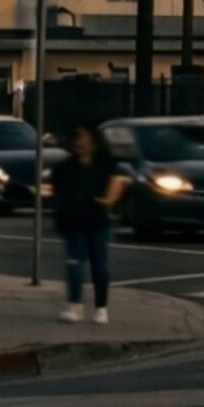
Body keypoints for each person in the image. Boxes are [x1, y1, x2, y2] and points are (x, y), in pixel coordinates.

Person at [52, 123, 129, 325]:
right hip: (74, 221)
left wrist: (108, 201)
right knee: (75, 263)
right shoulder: (65, 167)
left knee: (99, 265)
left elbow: (118, 183)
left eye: (82, 138)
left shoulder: (106, 164)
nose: (78, 143)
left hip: (97, 220)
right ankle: (74, 306)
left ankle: (101, 308)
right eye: (76, 139)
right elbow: (59, 195)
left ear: (93, 142)